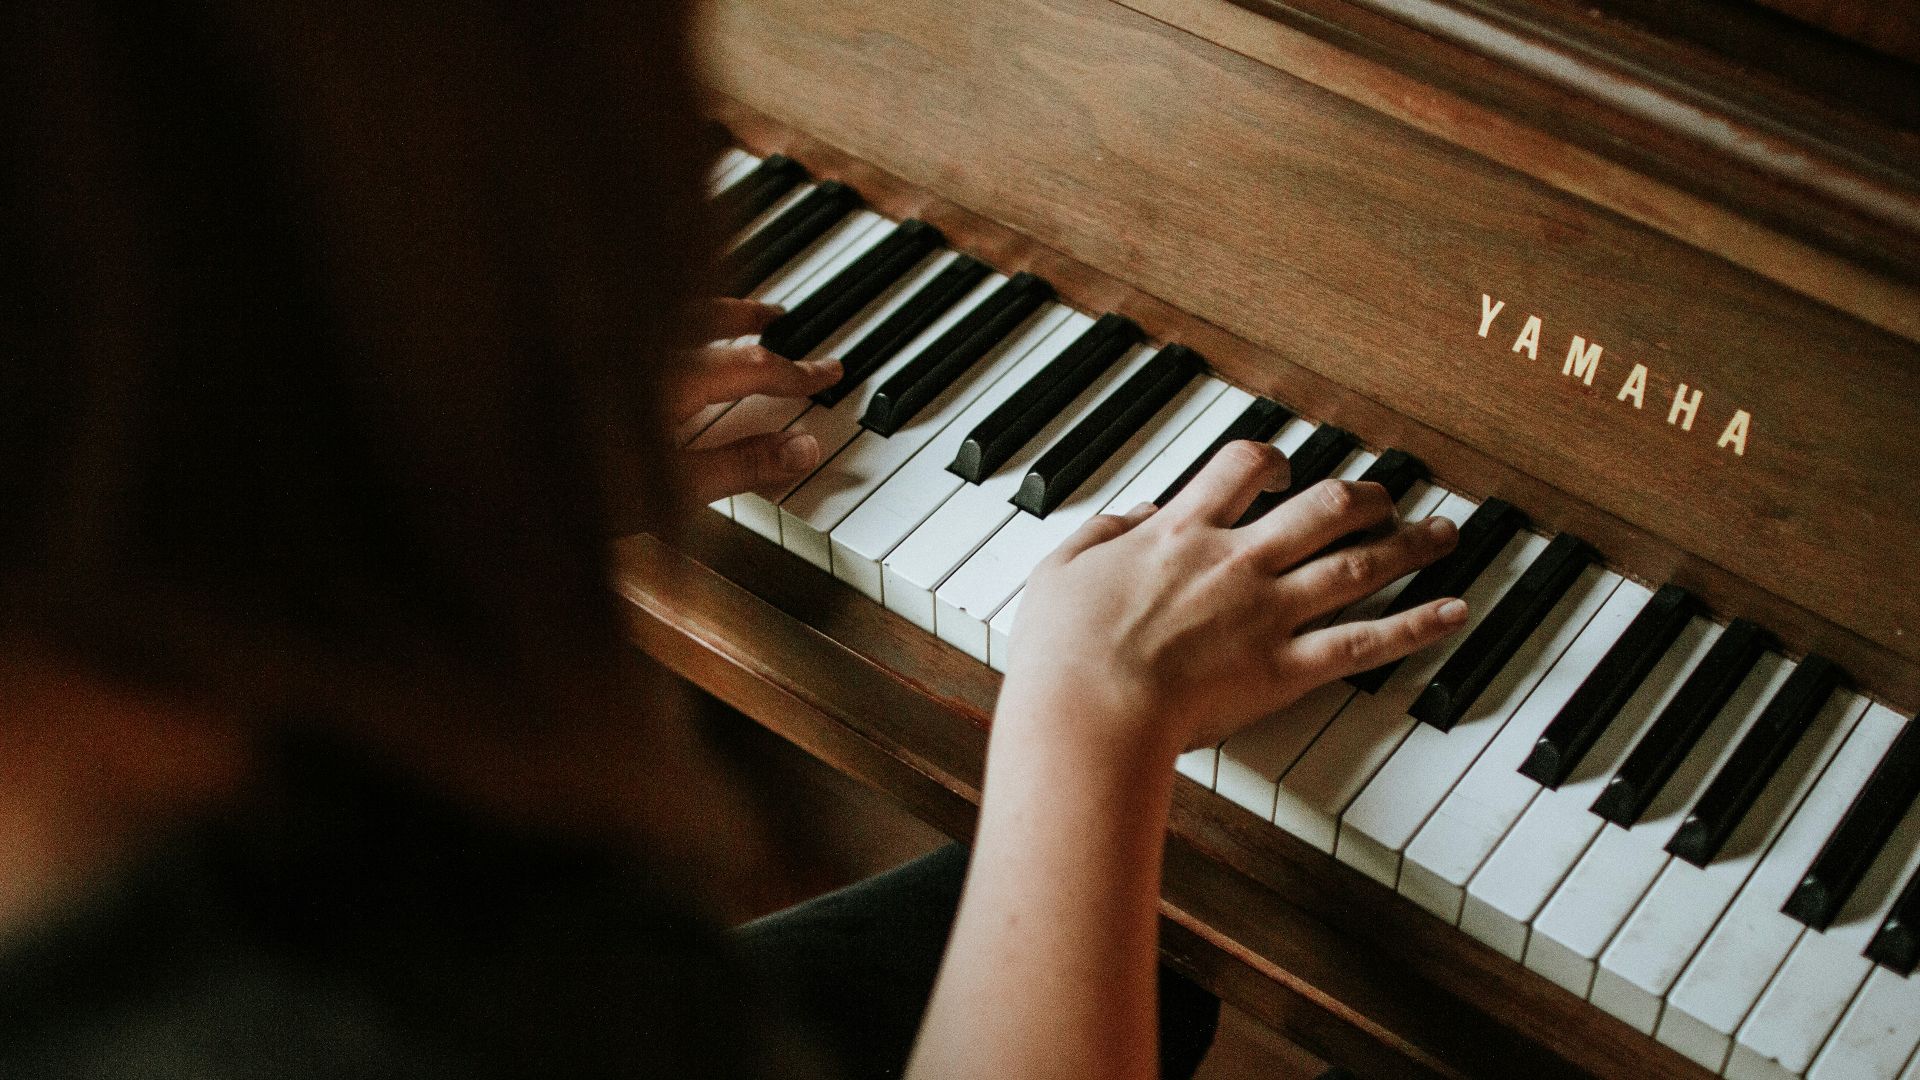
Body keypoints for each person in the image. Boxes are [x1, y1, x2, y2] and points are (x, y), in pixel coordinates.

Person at [0, 3, 1466, 1078]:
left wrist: (469, 484)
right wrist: (1093, 716)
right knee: (1138, 902)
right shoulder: (335, 1027)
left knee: (1144, 928)